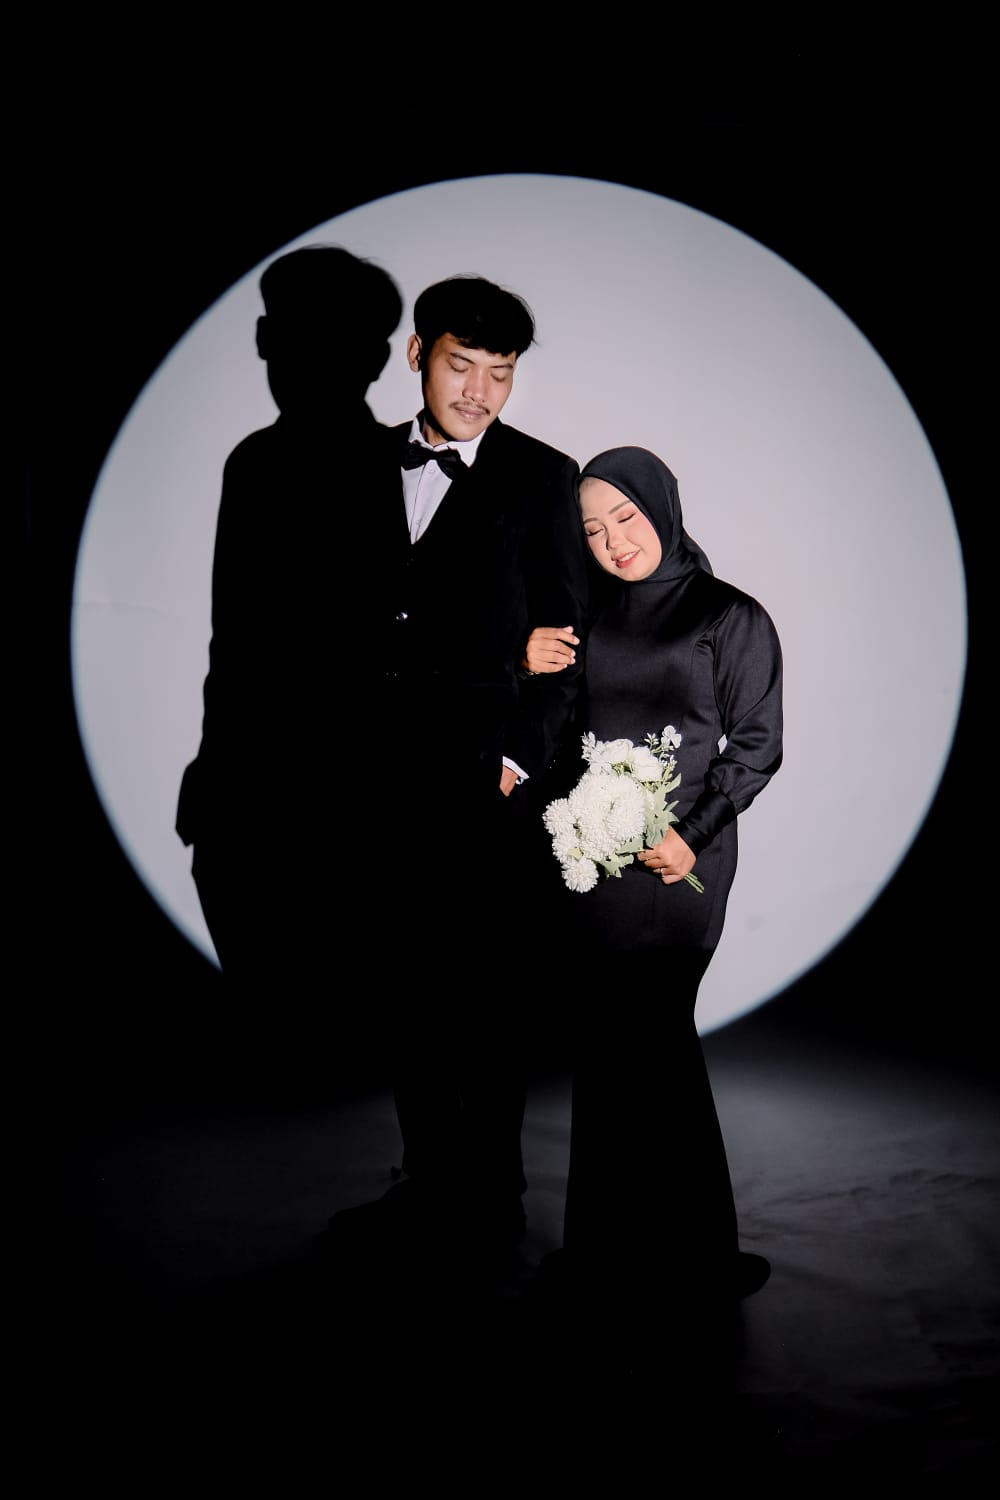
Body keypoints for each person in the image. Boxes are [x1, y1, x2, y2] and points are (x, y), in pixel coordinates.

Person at [325, 274, 591, 1266]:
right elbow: (338, 628)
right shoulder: (355, 465)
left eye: (500, 373)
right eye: (460, 364)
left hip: (486, 785)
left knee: (487, 1003)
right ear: (417, 356)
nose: (478, 391)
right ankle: (428, 1181)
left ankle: (494, 1196)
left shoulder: (544, 477)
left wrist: (519, 759)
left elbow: (566, 650)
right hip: (378, 782)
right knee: (407, 996)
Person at [522, 445, 783, 1343]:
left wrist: (691, 834)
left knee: (657, 1041)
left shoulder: (728, 615)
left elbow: (757, 743)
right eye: (593, 530)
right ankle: (604, 1252)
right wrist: (547, 795)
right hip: (595, 861)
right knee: (606, 1045)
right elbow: (564, 733)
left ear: (663, 509)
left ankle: (694, 1256)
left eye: (625, 518)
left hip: (679, 866)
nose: (613, 542)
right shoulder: (588, 616)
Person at [175, 245, 404, 1011]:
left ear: (369, 359)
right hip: (277, 794)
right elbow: (237, 639)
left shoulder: (398, 473)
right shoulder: (262, 465)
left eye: (302, 336)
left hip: (334, 797)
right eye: (277, 333)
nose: (278, 354)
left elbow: (243, 642)